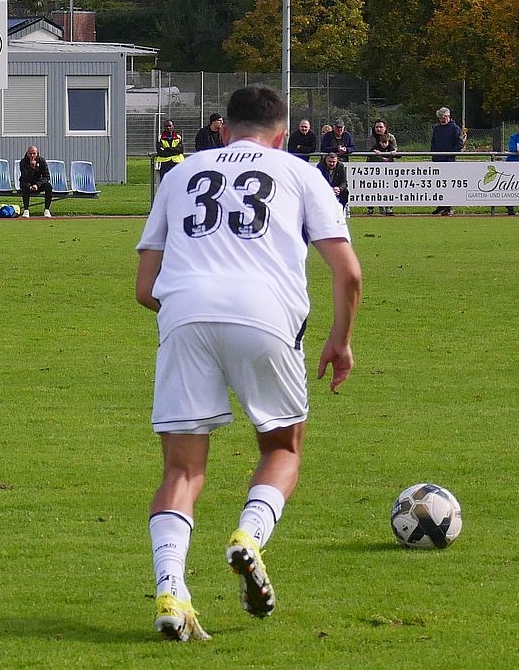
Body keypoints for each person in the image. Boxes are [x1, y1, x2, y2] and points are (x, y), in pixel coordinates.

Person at [136, 84, 361, 643]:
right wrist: (339, 341)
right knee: (282, 448)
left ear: (222, 129)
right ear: (282, 136)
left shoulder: (180, 175)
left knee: (181, 471)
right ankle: (248, 536)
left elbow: (144, 287)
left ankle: (171, 590)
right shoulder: (300, 172)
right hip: (265, 314)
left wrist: (193, 313)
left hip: (184, 314)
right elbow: (348, 272)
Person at [428, 107, 463, 216]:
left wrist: (450, 154)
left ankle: (449, 207)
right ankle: (441, 205)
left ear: (448, 116)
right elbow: (433, 142)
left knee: (448, 184)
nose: (442, 120)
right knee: (439, 184)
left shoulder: (455, 128)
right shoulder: (437, 128)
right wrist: (433, 154)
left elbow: (459, 144)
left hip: (449, 161)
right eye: (440, 118)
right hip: (438, 160)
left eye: (443, 118)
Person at [365, 120, 398, 216]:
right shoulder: (371, 138)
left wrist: (389, 157)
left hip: (388, 167)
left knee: (388, 187)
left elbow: (395, 150)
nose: (378, 129)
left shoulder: (391, 137)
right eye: (376, 127)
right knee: (372, 187)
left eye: (380, 127)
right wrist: (381, 157)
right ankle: (371, 208)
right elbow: (369, 152)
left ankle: (388, 208)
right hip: (373, 167)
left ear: (385, 128)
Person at [19, 145, 54, 217]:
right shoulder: (23, 162)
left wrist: (37, 185)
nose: (32, 155)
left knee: (48, 186)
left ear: (37, 153)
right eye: (30, 153)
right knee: (25, 186)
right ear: (27, 153)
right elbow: (25, 177)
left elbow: (47, 176)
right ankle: (26, 210)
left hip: (38, 183)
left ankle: (47, 210)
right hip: (27, 182)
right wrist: (32, 168)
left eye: (34, 153)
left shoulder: (42, 161)